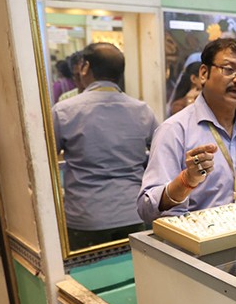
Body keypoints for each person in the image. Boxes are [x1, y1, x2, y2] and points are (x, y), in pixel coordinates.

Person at [138, 39, 236, 223]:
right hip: (197, 248)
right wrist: (186, 181)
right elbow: (146, 209)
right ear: (204, 73)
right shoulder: (175, 130)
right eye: (229, 69)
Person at [52, 43, 158, 250]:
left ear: (85, 67)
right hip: (133, 213)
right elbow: (163, 155)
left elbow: (45, 161)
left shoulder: (64, 111)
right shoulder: (143, 111)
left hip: (86, 217)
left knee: (88, 278)